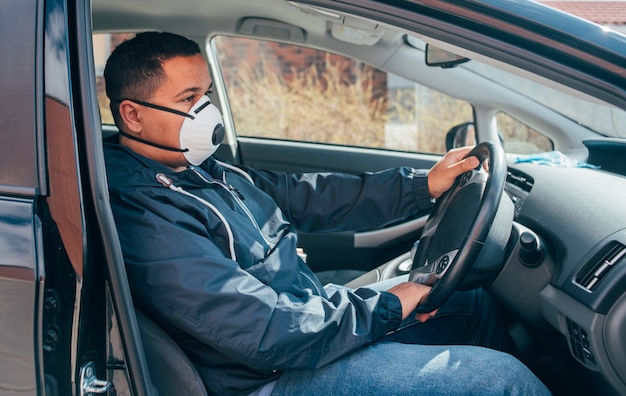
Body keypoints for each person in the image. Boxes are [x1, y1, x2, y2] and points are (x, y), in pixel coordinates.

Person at [103, 31, 551, 396]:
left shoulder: (202, 170)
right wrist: (391, 305)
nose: (206, 112)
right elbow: (266, 331)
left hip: (306, 326)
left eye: (207, 94)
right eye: (188, 99)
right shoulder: (143, 215)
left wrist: (420, 185)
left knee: (468, 301)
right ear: (133, 115)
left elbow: (303, 196)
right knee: (497, 380)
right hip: (270, 378)